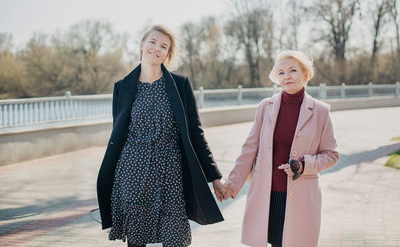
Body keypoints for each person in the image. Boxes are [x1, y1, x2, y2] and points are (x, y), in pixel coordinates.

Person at [96, 25, 226, 247]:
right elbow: (119, 134)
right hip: (133, 170)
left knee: (176, 237)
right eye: (153, 42)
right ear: (142, 45)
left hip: (171, 172)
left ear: (168, 54)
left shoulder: (180, 85)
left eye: (163, 46)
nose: (157, 48)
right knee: (136, 240)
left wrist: (215, 176)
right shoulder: (122, 87)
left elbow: (195, 132)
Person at [223, 50, 340, 247]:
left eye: (293, 70)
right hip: (267, 195)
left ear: (305, 74)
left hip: (301, 197)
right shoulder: (265, 107)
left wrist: (304, 165)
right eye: (281, 72)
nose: (287, 76)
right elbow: (249, 150)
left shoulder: (321, 111)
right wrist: (231, 185)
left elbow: (332, 155)